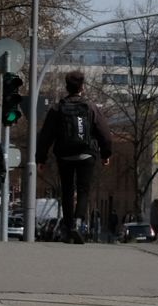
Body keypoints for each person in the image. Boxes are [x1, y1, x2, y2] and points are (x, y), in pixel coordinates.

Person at [36, 70, 113, 244]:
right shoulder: (91, 107)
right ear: (82, 87)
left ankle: (68, 228)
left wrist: (41, 158)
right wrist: (105, 153)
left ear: (66, 87)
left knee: (67, 190)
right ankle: (78, 223)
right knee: (83, 189)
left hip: (64, 156)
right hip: (87, 155)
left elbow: (46, 135)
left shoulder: (57, 108)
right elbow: (105, 133)